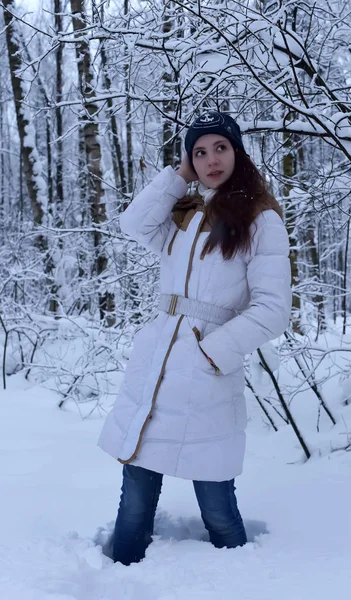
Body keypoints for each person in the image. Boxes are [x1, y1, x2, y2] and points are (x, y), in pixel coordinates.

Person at [98, 111, 292, 565]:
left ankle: (240, 583)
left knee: (218, 507)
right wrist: (177, 177)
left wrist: (213, 351)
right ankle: (117, 583)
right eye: (199, 152)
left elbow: (273, 309)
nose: (210, 159)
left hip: (207, 373)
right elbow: (133, 224)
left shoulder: (261, 220)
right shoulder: (183, 215)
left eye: (220, 147)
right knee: (134, 504)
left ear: (237, 152)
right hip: (156, 369)